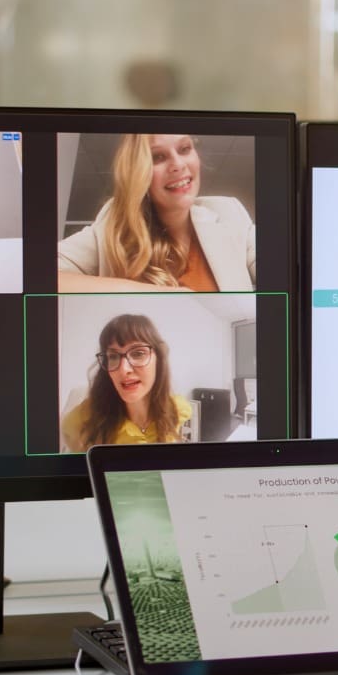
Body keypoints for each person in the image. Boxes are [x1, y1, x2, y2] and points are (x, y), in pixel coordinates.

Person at [57, 134, 256, 292]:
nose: (178, 165)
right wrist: (158, 296)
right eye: (158, 157)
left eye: (184, 149)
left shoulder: (229, 212)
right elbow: (42, 274)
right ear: (138, 173)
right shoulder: (113, 224)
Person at [61, 313, 193, 450]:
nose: (124, 370)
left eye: (138, 353)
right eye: (113, 356)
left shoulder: (177, 409)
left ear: (158, 359)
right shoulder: (82, 421)